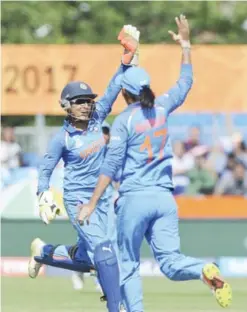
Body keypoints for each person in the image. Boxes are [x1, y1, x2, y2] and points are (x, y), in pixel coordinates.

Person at [78, 15, 232, 311]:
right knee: (172, 264)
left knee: (128, 264)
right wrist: (185, 44)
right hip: (165, 199)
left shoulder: (124, 121)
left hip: (135, 200)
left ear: (124, 93)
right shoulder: (161, 108)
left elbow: (110, 167)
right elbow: (186, 82)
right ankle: (203, 269)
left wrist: (92, 202)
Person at [28, 25, 140, 312]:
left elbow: (115, 86)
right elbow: (45, 169)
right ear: (66, 105)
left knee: (95, 258)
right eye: (79, 102)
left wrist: (126, 58)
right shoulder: (61, 139)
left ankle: (43, 251)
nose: (86, 106)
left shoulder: (98, 116)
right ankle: (117, 308)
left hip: (103, 198)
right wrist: (43, 194)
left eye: (88, 101)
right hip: (79, 201)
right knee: (103, 250)